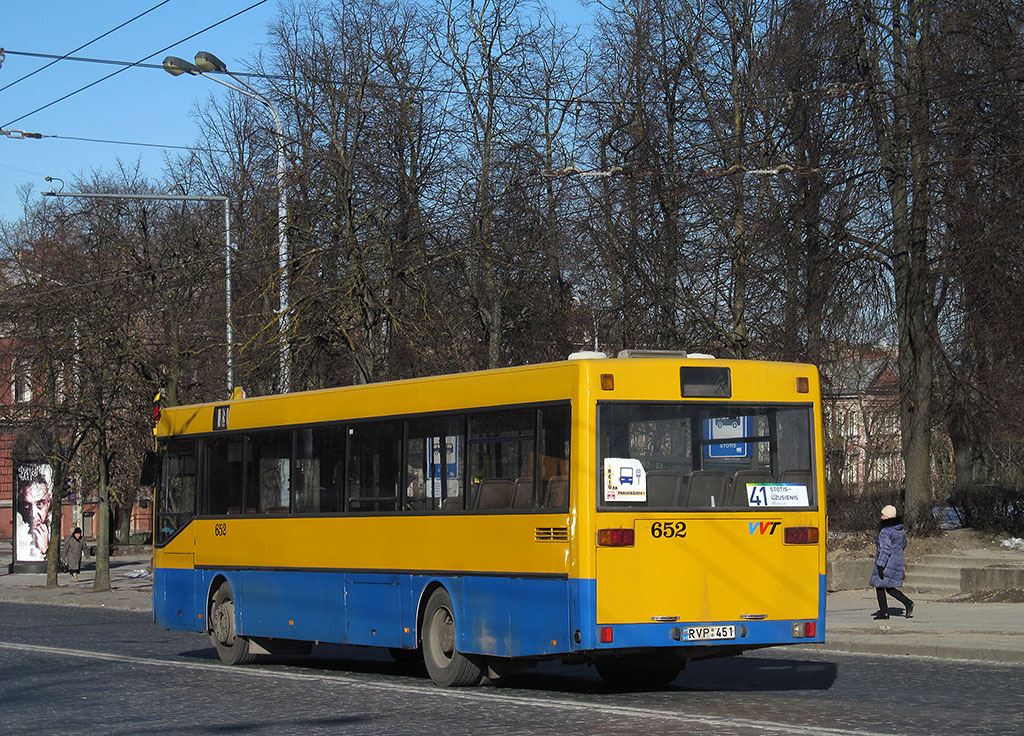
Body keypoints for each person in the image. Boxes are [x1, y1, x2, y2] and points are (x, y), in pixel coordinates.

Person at [870, 504, 915, 619]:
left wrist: (880, 564)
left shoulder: (885, 531)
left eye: (884, 515)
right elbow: (903, 545)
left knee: (880, 586)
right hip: (896, 561)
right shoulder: (900, 530)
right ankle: (906, 603)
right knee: (888, 587)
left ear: (889, 517)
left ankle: (885, 612)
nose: (881, 517)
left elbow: (885, 549)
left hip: (887, 562)